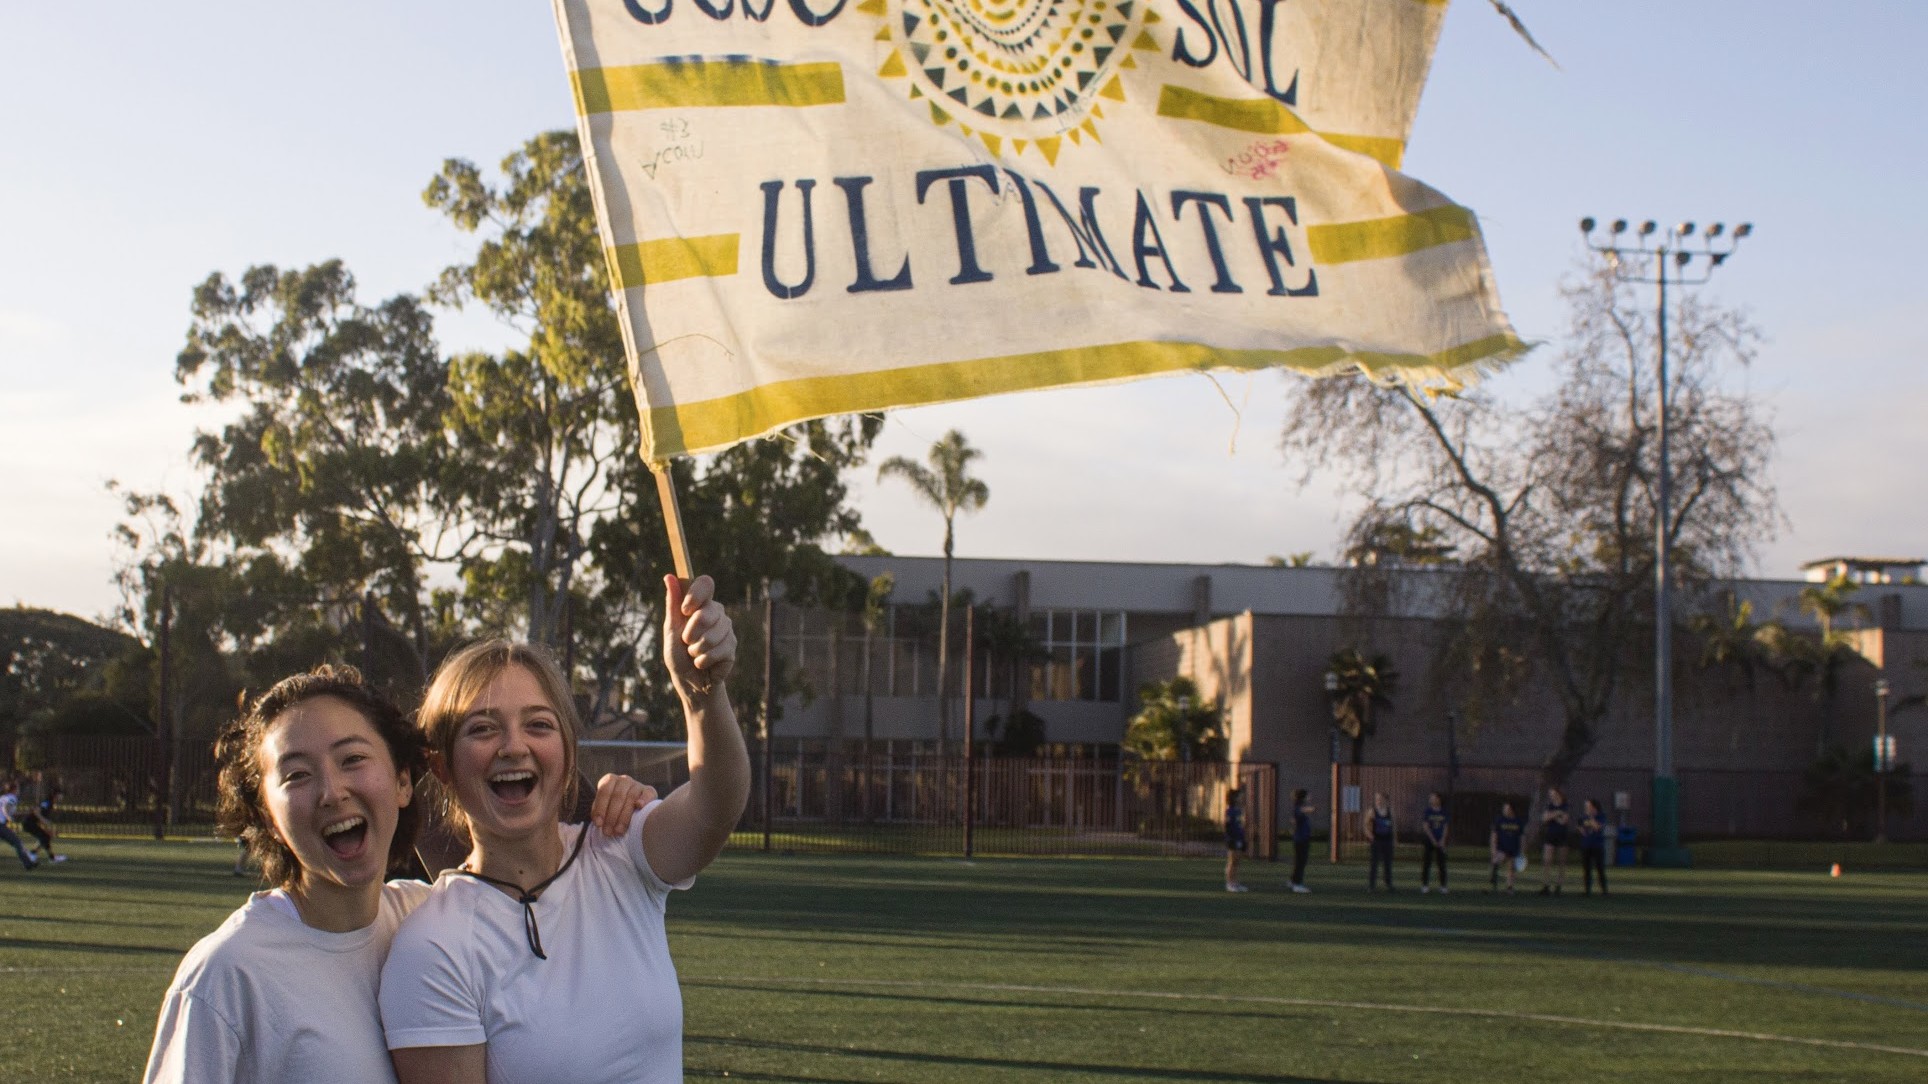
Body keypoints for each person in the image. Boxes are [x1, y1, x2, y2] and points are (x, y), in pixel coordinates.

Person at [142, 664, 654, 1084]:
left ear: (404, 783)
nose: (332, 792)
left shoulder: (422, 914)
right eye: (297, 774)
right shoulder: (227, 974)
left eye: (353, 759)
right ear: (266, 818)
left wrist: (625, 802)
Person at [381, 573, 748, 1084]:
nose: (514, 746)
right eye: (482, 729)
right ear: (443, 767)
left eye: (538, 724)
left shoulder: (622, 851)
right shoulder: (433, 945)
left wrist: (702, 693)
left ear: (567, 751)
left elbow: (716, 804)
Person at [1, 777, 38, 871]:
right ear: (14, 789)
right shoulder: (12, 798)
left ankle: (29, 863)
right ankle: (28, 864)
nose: (19, 791)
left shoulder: (3, 797)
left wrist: (27, 813)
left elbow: (10, 812)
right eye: (18, 789)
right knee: (17, 842)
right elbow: (5, 808)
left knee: (17, 843)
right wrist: (8, 817)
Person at [1539, 786, 1571, 895]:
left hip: (1562, 836)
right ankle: (1546, 884)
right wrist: (1557, 814)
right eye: (1550, 794)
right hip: (1550, 836)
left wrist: (1552, 816)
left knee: (1561, 861)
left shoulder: (1565, 806)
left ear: (1559, 794)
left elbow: (1564, 821)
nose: (1551, 796)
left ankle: (1559, 885)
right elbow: (1544, 819)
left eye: (1553, 794)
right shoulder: (1550, 806)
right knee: (1547, 860)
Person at [23, 784, 65, 864]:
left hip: (32, 823)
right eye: (60, 794)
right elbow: (36, 811)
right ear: (55, 795)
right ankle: (50, 858)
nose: (61, 797)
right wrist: (44, 820)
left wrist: (47, 829)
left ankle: (33, 854)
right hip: (28, 823)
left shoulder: (51, 803)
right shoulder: (47, 803)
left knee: (45, 837)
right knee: (45, 837)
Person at [1489, 801, 1524, 893]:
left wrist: (1522, 849)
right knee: (1496, 860)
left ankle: (1510, 887)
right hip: (1502, 847)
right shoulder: (1499, 820)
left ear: (1512, 809)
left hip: (1513, 848)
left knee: (1511, 868)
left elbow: (1522, 836)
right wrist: (1493, 848)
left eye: (1507, 808)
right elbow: (1494, 835)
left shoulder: (1518, 821)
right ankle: (1493, 877)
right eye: (1504, 809)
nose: (1506, 810)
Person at [1578, 798, 1611, 896]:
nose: (1586, 808)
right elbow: (1581, 828)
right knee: (1587, 869)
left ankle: (1604, 890)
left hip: (1597, 846)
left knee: (1600, 868)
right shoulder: (1584, 817)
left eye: (1588, 806)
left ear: (1594, 807)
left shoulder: (1601, 816)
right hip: (1586, 845)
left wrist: (1591, 819)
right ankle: (1587, 889)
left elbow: (1597, 827)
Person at [1364, 791, 1396, 892]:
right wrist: (1370, 835)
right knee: (1374, 863)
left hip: (1387, 840)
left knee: (1387, 863)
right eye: (1377, 799)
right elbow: (1365, 825)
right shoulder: (1372, 811)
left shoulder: (1390, 811)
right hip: (1377, 840)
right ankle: (1372, 885)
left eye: (1380, 799)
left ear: (1385, 800)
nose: (1378, 801)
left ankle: (1388, 883)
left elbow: (1393, 826)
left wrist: (1395, 839)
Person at [1418, 792, 1449, 894]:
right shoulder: (1428, 811)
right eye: (1430, 798)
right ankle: (1425, 885)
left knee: (1441, 864)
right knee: (1427, 863)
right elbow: (1426, 827)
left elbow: (1445, 826)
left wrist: (1442, 840)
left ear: (1438, 799)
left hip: (1441, 841)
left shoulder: (1444, 812)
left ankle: (1443, 886)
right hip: (1429, 840)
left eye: (1433, 798)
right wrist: (1433, 840)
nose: (1431, 800)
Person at [1287, 788, 1314, 894]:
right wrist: (1311, 809)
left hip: (1302, 838)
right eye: (1307, 796)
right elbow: (1300, 811)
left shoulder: (1299, 808)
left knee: (1299, 861)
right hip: (1301, 839)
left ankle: (1293, 880)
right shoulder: (1298, 808)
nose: (1309, 797)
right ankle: (1297, 884)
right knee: (1300, 862)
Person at [1223, 787, 1249, 892]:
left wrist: (1243, 838)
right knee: (1232, 861)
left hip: (1239, 838)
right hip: (1233, 839)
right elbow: (1227, 825)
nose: (1241, 798)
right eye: (1239, 796)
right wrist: (1230, 838)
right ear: (1234, 798)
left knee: (1237, 861)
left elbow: (1240, 825)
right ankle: (1229, 883)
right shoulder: (1230, 811)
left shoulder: (1239, 811)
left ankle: (1235, 882)